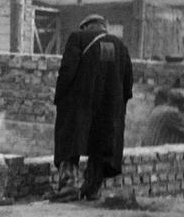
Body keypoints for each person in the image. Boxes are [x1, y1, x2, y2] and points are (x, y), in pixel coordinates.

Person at [52, 13, 134, 201]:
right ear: (103, 26)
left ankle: (69, 186)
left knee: (69, 140)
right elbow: (128, 82)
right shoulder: (120, 45)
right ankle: (93, 188)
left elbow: (67, 71)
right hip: (110, 109)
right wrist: (118, 105)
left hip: (79, 104)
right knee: (102, 146)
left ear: (86, 26)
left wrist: (60, 97)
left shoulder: (77, 38)